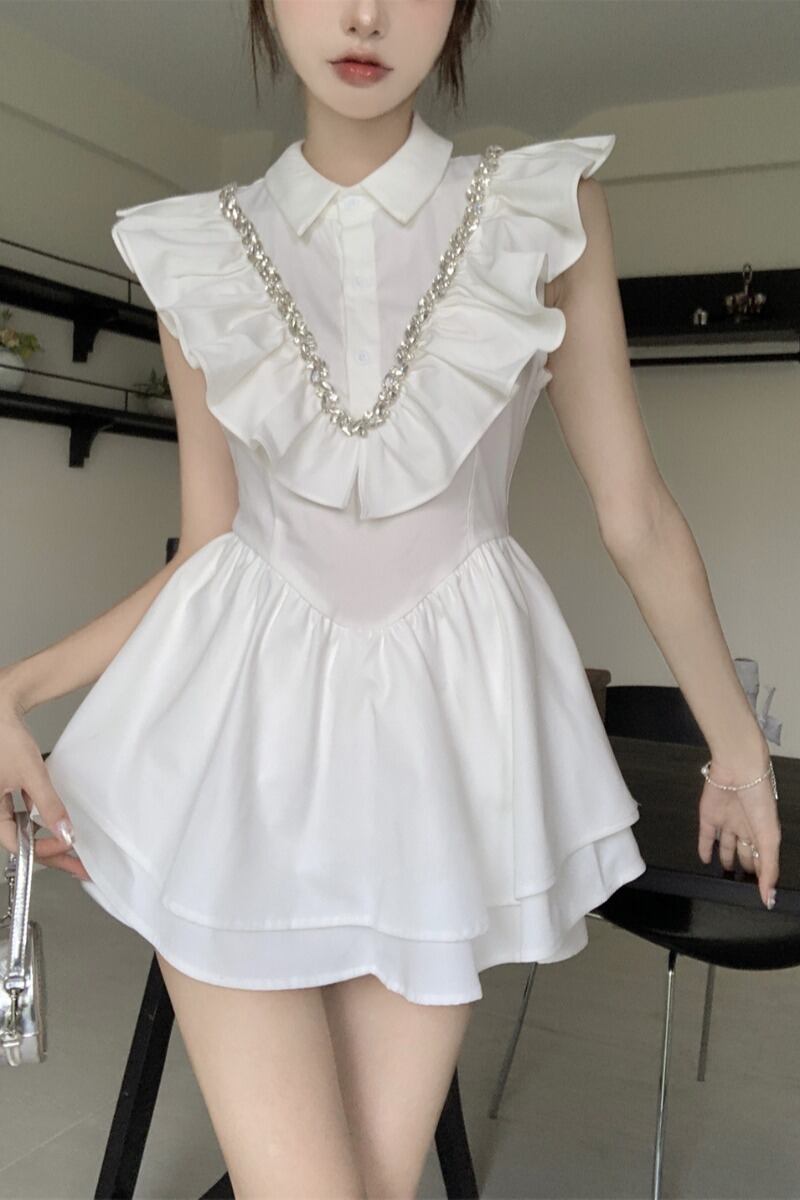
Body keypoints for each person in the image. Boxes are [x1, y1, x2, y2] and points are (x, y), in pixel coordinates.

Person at [0, 0, 782, 1196]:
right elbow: (208, 549)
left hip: (440, 760)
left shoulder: (543, 209)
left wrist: (737, 753)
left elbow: (633, 511)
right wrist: (16, 688)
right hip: (235, 756)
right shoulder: (196, 248)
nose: (364, 13)